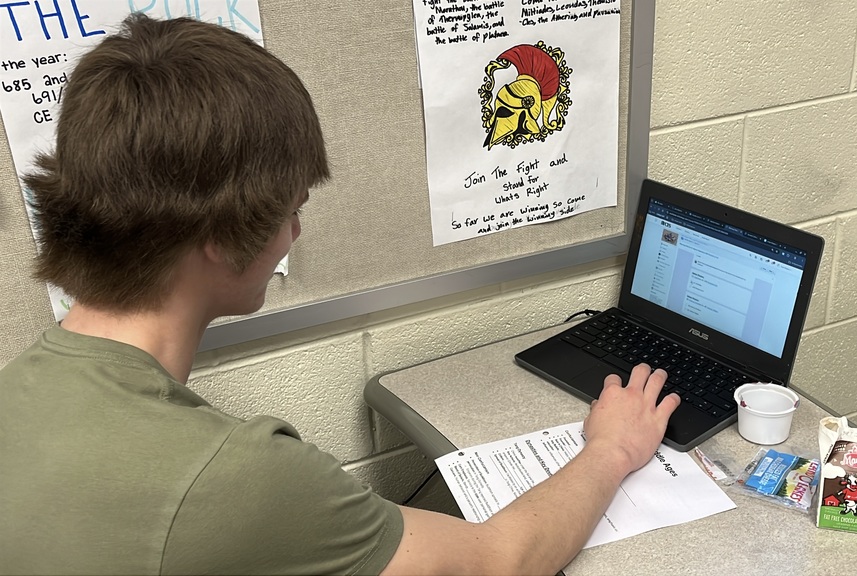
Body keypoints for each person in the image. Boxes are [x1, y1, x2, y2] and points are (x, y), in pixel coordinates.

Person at [0, 14, 680, 575]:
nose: (295, 230)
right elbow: (500, 560)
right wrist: (612, 449)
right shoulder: (238, 478)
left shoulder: (17, 395)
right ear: (218, 235)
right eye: (290, 209)